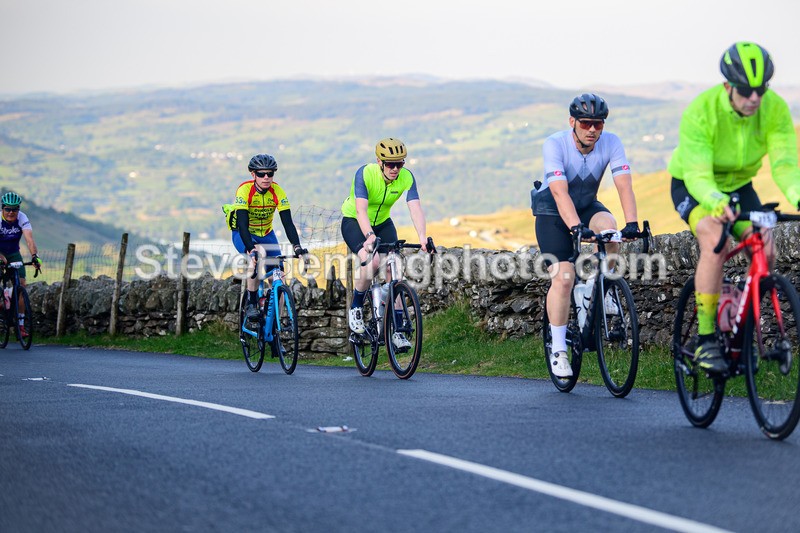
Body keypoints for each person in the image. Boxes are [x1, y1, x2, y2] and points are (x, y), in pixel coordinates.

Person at [668, 41, 800, 374]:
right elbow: (698, 174)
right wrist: (716, 202)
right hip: (695, 185)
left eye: (761, 89)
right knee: (717, 241)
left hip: (740, 186)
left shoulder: (774, 109)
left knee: (766, 250)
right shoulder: (702, 110)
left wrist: (798, 195)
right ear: (728, 86)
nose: (754, 97)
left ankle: (739, 320)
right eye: (745, 90)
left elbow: (785, 163)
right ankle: (706, 339)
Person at [531, 94, 640, 378]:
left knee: (610, 230)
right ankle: (558, 349)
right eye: (585, 123)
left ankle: (601, 289)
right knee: (564, 277)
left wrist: (631, 223)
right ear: (573, 122)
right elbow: (559, 192)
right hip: (552, 212)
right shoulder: (555, 144)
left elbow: (624, 185)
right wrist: (576, 227)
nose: (592, 129)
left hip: (586, 204)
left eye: (598, 124)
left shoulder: (611, 142)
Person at [341, 137, 432, 350]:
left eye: (399, 164)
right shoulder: (365, 173)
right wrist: (369, 236)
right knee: (372, 262)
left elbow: (415, 207)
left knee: (395, 269)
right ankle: (356, 307)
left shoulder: (406, 177)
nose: (395, 169)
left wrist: (422, 237)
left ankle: (397, 330)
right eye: (390, 164)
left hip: (383, 223)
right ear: (379, 162)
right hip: (354, 222)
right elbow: (361, 210)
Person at [230, 154, 308, 320]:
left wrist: (297, 247)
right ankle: (252, 303)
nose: (266, 177)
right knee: (258, 255)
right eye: (261, 174)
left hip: (267, 234)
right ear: (253, 174)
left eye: (270, 173)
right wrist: (251, 249)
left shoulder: (277, 192)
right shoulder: (244, 190)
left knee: (279, 277)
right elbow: (242, 224)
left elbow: (288, 223)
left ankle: (275, 324)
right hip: (244, 233)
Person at [0, 191, 42, 337]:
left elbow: (29, 240)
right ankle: (3, 301)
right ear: (2, 208)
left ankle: (21, 326)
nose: (11, 212)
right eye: (8, 209)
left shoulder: (22, 218)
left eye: (15, 209)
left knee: (21, 285)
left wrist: (35, 256)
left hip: (13, 253)